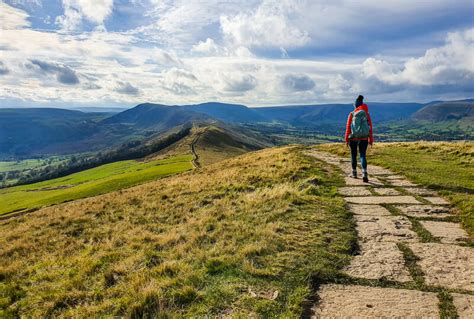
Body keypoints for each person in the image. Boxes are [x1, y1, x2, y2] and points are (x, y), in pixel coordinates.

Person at [344, 95, 374, 182]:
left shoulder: (352, 114)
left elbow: (348, 128)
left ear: (355, 105)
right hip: (364, 138)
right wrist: (371, 139)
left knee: (353, 155)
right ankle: (364, 173)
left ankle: (354, 172)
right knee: (362, 155)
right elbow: (370, 128)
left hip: (353, 138)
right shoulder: (366, 114)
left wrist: (346, 139)